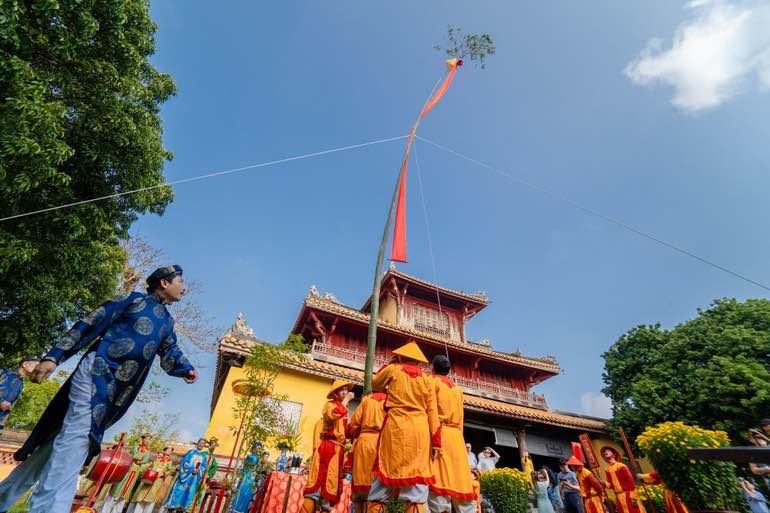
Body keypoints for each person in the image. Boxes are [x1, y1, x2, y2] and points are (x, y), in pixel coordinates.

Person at [0, 265, 197, 513]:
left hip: (117, 393)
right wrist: (54, 357)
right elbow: (90, 323)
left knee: (61, 443)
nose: (185, 287)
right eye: (180, 280)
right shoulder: (132, 299)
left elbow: (170, 352)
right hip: (96, 374)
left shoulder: (167, 321)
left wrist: (186, 368)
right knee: (77, 441)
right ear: (164, 283)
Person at [366, 341, 440, 513]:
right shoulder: (427, 380)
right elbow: (433, 413)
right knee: (417, 486)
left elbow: (375, 384)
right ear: (419, 361)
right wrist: (436, 442)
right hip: (419, 430)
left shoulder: (393, 370)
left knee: (384, 477)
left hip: (396, 426)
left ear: (399, 357)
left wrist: (390, 364)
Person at [427, 355, 475, 513]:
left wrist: (435, 440)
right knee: (460, 481)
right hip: (457, 437)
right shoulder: (457, 390)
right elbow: (461, 418)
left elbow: (432, 414)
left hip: (441, 434)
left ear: (432, 367)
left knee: (440, 481)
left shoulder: (432, 382)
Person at [302, 380, 354, 513]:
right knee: (320, 481)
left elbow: (345, 432)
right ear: (335, 392)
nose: (345, 392)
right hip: (328, 447)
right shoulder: (329, 405)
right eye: (342, 390)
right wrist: (346, 402)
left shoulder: (344, 409)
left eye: (346, 390)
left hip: (338, 450)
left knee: (331, 487)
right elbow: (332, 416)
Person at [348, 390, 386, 513]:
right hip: (382, 443)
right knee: (378, 488)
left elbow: (354, 422)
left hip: (364, 442)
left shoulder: (366, 400)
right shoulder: (391, 400)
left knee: (360, 486)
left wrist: (358, 434)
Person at [103, 433, 155, 513]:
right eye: (147, 439)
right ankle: (104, 511)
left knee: (124, 495)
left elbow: (146, 460)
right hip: (127, 469)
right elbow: (134, 455)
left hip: (135, 472)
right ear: (143, 439)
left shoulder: (147, 451)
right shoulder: (135, 446)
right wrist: (139, 458)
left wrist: (139, 460)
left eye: (150, 439)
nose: (148, 441)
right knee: (116, 490)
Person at [165, 438, 210, 513]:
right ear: (197, 443)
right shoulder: (190, 452)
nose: (201, 444)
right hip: (185, 477)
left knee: (188, 494)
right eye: (200, 442)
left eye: (203, 443)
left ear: (204, 446)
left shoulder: (204, 457)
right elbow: (184, 463)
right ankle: (171, 509)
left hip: (194, 478)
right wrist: (192, 469)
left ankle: (182, 509)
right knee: (179, 492)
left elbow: (203, 467)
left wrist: (198, 470)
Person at [129, 446, 175, 513]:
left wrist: (163, 473)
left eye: (171, 451)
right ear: (164, 451)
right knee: (142, 495)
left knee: (151, 498)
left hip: (158, 480)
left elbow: (170, 470)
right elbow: (151, 466)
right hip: (149, 478)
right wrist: (149, 469)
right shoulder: (157, 458)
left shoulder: (169, 462)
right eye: (168, 450)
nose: (169, 451)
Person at [601, 446, 645, 513]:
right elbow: (610, 485)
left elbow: (630, 481)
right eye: (605, 452)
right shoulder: (607, 469)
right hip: (618, 496)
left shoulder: (621, 466)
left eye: (608, 451)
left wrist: (633, 497)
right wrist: (604, 483)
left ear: (614, 454)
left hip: (628, 494)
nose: (606, 452)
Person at [0, 357, 39, 431]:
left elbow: (9, 407)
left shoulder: (21, 385)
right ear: (25, 364)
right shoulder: (3, 372)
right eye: (36, 366)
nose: (38, 369)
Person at [230, 443, 262, 513]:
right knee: (241, 492)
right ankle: (234, 509)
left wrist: (255, 471)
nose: (257, 450)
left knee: (247, 494)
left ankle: (243, 510)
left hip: (251, 478)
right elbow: (244, 466)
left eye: (259, 448)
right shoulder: (249, 456)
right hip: (245, 476)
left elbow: (259, 468)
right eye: (256, 448)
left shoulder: (258, 458)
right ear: (253, 448)